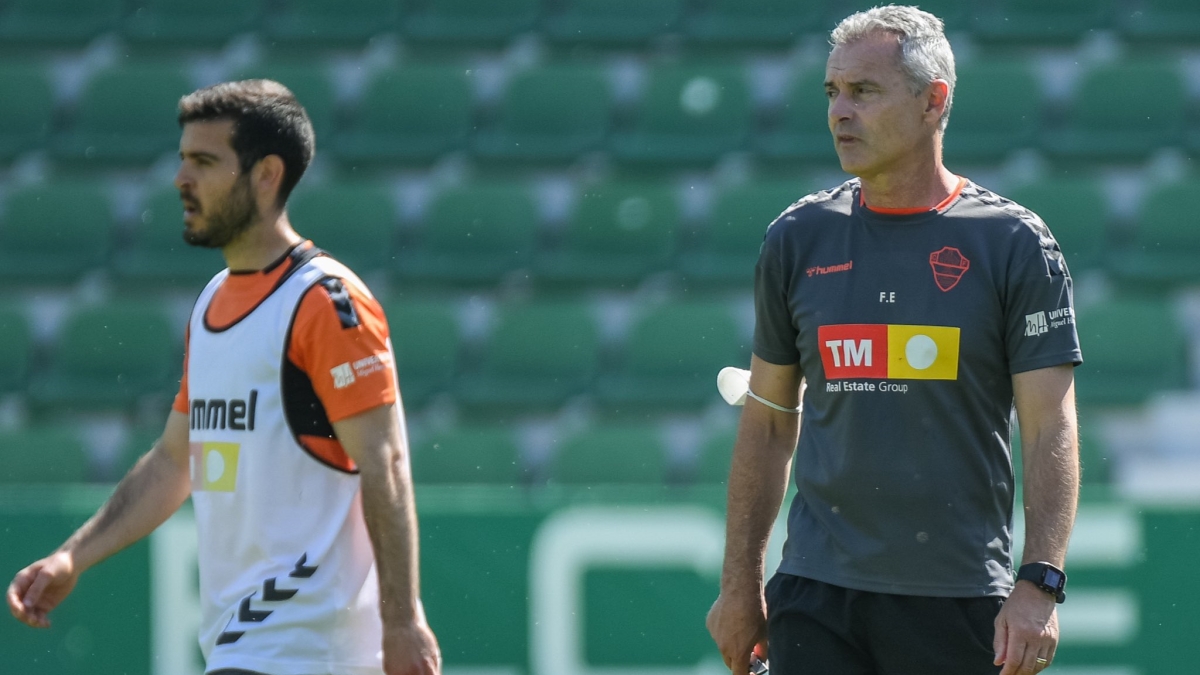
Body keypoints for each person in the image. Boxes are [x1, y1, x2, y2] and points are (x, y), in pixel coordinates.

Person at [6, 80, 441, 675]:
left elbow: (386, 463)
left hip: (312, 651)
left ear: (266, 175)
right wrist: (73, 557)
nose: (181, 180)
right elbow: (172, 461)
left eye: (203, 162)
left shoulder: (326, 302)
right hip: (245, 650)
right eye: (183, 160)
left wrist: (401, 620)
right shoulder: (213, 300)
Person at [706, 6, 1081, 675]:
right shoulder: (797, 237)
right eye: (832, 92)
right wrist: (740, 583)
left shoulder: (1014, 244)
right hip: (816, 595)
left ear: (933, 100)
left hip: (960, 598)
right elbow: (766, 425)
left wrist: (1041, 581)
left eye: (864, 92)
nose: (839, 113)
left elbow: (1050, 425)